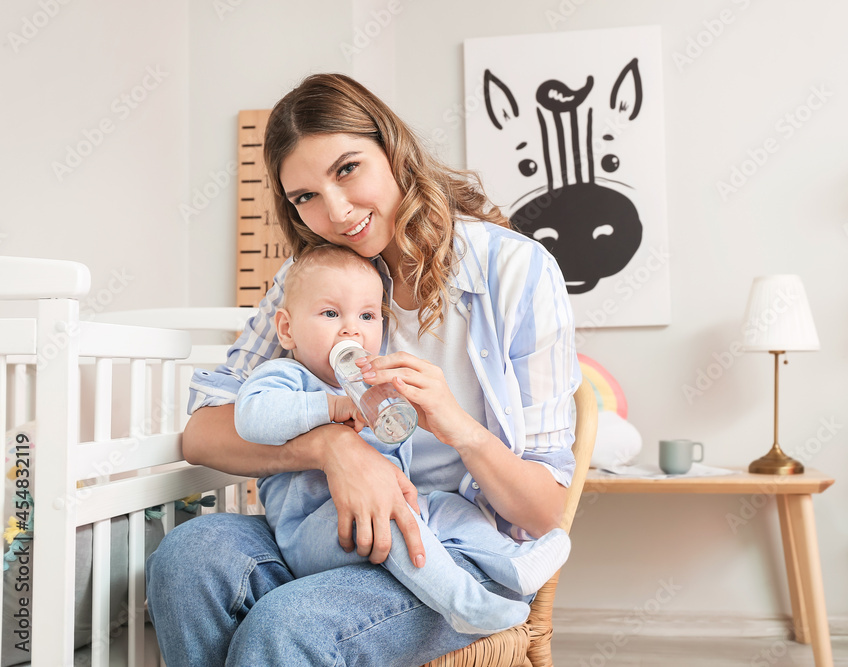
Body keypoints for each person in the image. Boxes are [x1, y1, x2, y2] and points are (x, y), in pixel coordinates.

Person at [145, 72, 580, 667]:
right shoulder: (310, 283)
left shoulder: (516, 272)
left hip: (451, 550)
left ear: (393, 150)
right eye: (305, 197)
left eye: (347, 169)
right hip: (328, 531)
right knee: (188, 556)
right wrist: (333, 448)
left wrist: (457, 425)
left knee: (287, 627)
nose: (338, 211)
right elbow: (203, 431)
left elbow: (543, 511)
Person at [233, 243, 570, 635]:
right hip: (312, 532)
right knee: (393, 515)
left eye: (367, 315)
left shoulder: (372, 388)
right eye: (330, 314)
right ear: (287, 330)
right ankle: (464, 605)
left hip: (395, 509)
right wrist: (331, 407)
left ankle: (511, 561)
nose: (351, 329)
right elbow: (251, 417)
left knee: (448, 505)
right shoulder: (286, 377)